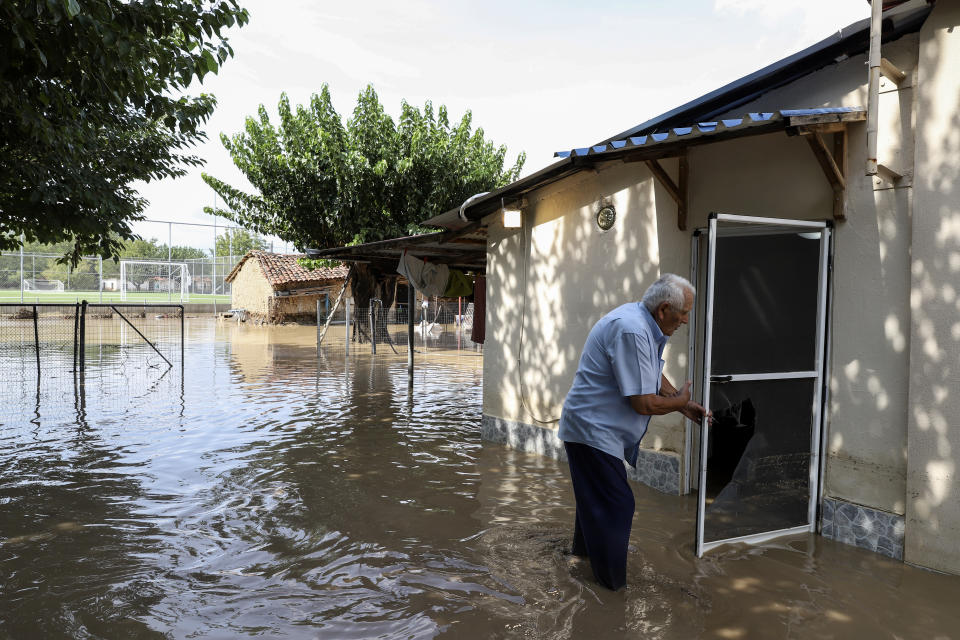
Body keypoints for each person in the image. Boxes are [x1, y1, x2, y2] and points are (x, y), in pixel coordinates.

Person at [558, 273, 710, 590]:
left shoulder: (642, 322)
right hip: (592, 430)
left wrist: (683, 405)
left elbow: (650, 373)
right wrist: (678, 401)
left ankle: (581, 563)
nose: (685, 320)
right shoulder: (632, 330)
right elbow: (642, 402)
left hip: (595, 429)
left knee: (596, 501)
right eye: (684, 313)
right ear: (664, 309)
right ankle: (611, 589)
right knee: (617, 504)